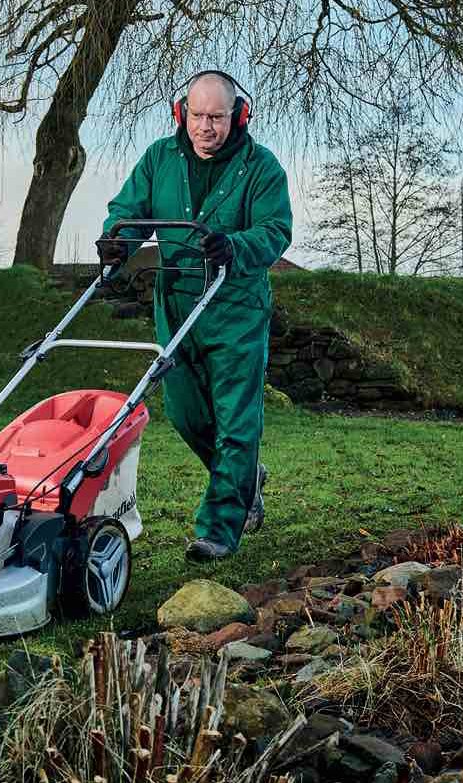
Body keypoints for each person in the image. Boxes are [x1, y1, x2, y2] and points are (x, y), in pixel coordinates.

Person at [100, 70, 292, 563]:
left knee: (235, 420)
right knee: (185, 413)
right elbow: (127, 209)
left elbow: (276, 231)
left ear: (239, 116)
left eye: (218, 117)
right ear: (181, 112)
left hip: (235, 306)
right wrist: (117, 239)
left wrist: (234, 245)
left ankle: (219, 528)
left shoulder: (261, 167)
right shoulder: (159, 159)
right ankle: (246, 477)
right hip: (177, 302)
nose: (206, 127)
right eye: (198, 115)